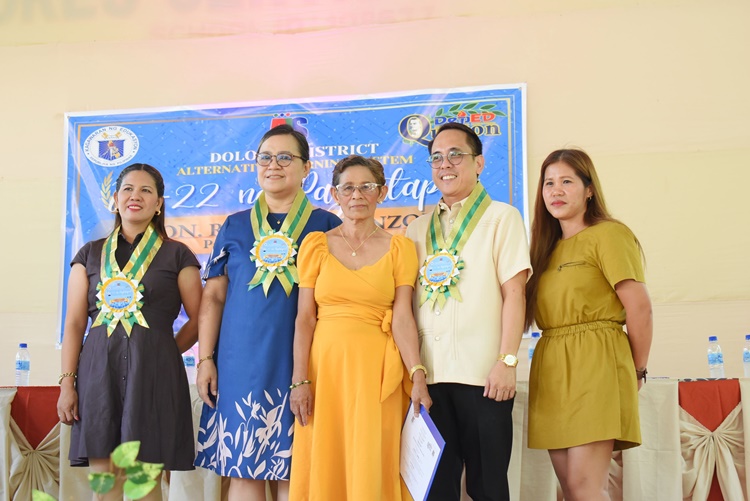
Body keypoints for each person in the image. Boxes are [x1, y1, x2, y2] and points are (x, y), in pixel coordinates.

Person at [194, 124, 341, 501]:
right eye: (265, 157)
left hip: (305, 365)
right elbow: (212, 298)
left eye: (285, 157)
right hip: (239, 363)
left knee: (299, 471)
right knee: (245, 470)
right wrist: (205, 359)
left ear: (307, 168)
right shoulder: (234, 225)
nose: (273, 165)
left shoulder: (328, 227)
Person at [288, 155, 431, 501]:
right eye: (348, 188)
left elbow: (402, 317)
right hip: (325, 372)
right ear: (335, 195)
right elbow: (305, 318)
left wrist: (418, 373)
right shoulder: (315, 246)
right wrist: (299, 379)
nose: (357, 195)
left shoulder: (400, 248)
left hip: (377, 372)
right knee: (327, 456)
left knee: (371, 457)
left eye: (367, 187)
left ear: (381, 191)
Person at [57, 163, 202, 501]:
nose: (135, 196)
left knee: (143, 482)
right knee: (105, 481)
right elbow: (75, 324)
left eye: (146, 191)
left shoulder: (177, 254)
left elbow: (199, 319)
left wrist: (163, 350)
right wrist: (67, 382)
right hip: (97, 374)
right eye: (127, 189)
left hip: (153, 377)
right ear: (115, 200)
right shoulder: (89, 255)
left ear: (159, 203)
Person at [405, 123, 531, 501]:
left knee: (488, 486)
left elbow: (515, 295)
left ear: (478, 163)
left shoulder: (502, 218)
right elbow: (407, 308)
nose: (446, 164)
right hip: (431, 379)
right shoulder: (416, 229)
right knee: (436, 489)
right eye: (437, 158)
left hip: (484, 377)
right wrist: (416, 374)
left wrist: (507, 361)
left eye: (455, 155)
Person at [526, 148, 653, 501]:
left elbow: (639, 309)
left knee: (585, 488)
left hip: (596, 362)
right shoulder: (544, 249)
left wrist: (637, 369)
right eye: (549, 183)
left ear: (589, 189)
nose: (556, 191)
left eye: (567, 181)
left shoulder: (609, 234)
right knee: (570, 490)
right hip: (552, 368)